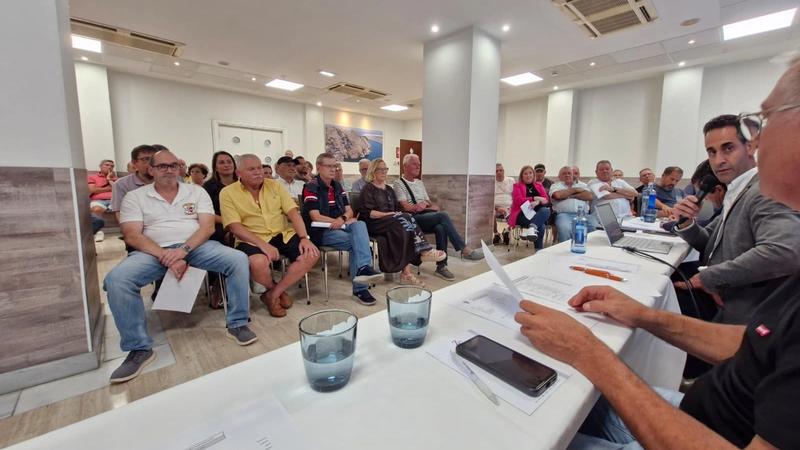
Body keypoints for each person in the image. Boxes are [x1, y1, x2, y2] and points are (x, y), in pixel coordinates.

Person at [513, 61, 800, 449]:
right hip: (702, 410)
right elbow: (754, 342)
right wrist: (642, 313)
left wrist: (589, 352)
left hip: (702, 432)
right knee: (566, 394)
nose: (757, 141)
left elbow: (784, 249)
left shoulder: (760, 198)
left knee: (532, 420)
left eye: (762, 121)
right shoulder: (742, 196)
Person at [104, 150, 257, 383]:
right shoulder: (135, 197)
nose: (168, 170)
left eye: (173, 165)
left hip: (196, 246)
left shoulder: (196, 192)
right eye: (162, 166)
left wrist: (183, 251)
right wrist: (166, 255)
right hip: (153, 251)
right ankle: (139, 348)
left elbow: (207, 227)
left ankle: (238, 323)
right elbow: (132, 235)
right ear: (151, 169)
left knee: (237, 259)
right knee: (117, 280)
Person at [671, 114, 800, 325]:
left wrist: (709, 278)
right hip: (727, 290)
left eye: (728, 148)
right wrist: (686, 222)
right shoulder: (738, 189)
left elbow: (784, 253)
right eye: (711, 152)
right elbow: (710, 243)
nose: (718, 160)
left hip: (745, 308)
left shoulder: (765, 190)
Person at [220, 154, 319, 318]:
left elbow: (293, 214)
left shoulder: (275, 186)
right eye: (251, 169)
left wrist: (304, 238)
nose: (258, 172)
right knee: (257, 262)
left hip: (281, 233)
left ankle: (273, 294)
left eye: (259, 167)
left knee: (312, 253)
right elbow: (234, 227)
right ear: (239, 173)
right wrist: (263, 245)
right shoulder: (227, 193)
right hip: (251, 237)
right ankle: (274, 291)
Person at [301, 153, 383, 305]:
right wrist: (339, 221)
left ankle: (363, 269)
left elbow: (349, 210)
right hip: (321, 231)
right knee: (356, 242)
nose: (333, 169)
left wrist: (343, 219)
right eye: (329, 166)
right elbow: (315, 216)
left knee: (360, 224)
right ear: (319, 167)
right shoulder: (311, 187)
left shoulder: (337, 186)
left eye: (335, 166)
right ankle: (360, 288)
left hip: (340, 225)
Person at [394, 153, 484, 282]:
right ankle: (463, 249)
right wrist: (418, 206)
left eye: (419, 164)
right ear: (405, 166)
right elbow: (405, 206)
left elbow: (429, 202)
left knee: (440, 227)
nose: (418, 166)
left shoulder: (419, 183)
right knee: (443, 215)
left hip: (425, 215)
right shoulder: (398, 183)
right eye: (414, 164)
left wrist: (424, 205)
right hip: (412, 219)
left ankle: (441, 266)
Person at [358, 159, 446, 287]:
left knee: (406, 222)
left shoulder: (389, 189)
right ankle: (423, 251)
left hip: (392, 221)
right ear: (373, 171)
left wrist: (395, 215)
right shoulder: (368, 189)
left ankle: (407, 273)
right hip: (374, 223)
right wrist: (390, 215)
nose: (384, 172)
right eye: (380, 169)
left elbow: (396, 210)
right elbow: (369, 213)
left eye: (385, 169)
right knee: (404, 219)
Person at [202, 151, 238, 309]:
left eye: (229, 161)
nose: (226, 165)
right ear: (215, 167)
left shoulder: (242, 183)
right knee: (227, 238)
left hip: (244, 223)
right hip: (219, 224)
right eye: (221, 162)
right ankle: (219, 286)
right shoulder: (208, 187)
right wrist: (231, 222)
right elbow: (208, 214)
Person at [549, 166, 597, 243]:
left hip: (583, 215)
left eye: (569, 173)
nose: (567, 175)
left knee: (595, 227)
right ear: (559, 176)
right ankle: (564, 249)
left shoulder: (583, 185)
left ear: (573, 175)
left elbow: (589, 196)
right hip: (564, 215)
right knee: (565, 228)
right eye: (564, 173)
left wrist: (568, 195)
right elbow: (558, 195)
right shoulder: (556, 186)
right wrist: (576, 190)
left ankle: (590, 249)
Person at [508, 165, 551, 249]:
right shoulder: (517, 186)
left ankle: (531, 229)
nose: (528, 175)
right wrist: (534, 198)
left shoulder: (539, 185)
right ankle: (538, 251)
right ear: (522, 176)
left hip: (537, 214)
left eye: (530, 173)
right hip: (522, 214)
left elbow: (546, 200)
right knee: (541, 226)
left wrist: (537, 202)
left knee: (546, 210)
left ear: (533, 174)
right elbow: (518, 200)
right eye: (525, 173)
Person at [111, 145, 157, 221]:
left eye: (153, 159)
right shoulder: (121, 184)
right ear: (134, 162)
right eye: (145, 159)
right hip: (138, 224)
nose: (150, 163)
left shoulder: (165, 181)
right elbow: (120, 213)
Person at [88, 159, 118, 241]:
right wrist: (109, 188)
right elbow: (92, 190)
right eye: (107, 165)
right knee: (96, 209)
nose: (109, 167)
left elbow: (119, 190)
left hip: (114, 200)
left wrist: (109, 179)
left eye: (112, 166)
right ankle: (98, 231)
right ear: (100, 166)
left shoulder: (115, 178)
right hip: (99, 200)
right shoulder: (92, 177)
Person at [494, 163, 514, 245]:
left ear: (504, 171)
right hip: (495, 208)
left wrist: (512, 207)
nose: (499, 172)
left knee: (516, 213)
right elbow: (489, 199)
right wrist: (497, 208)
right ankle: (496, 234)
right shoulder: (491, 182)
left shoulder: (511, 180)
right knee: (490, 213)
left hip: (509, 207)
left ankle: (506, 231)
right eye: (496, 171)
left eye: (500, 170)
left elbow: (516, 196)